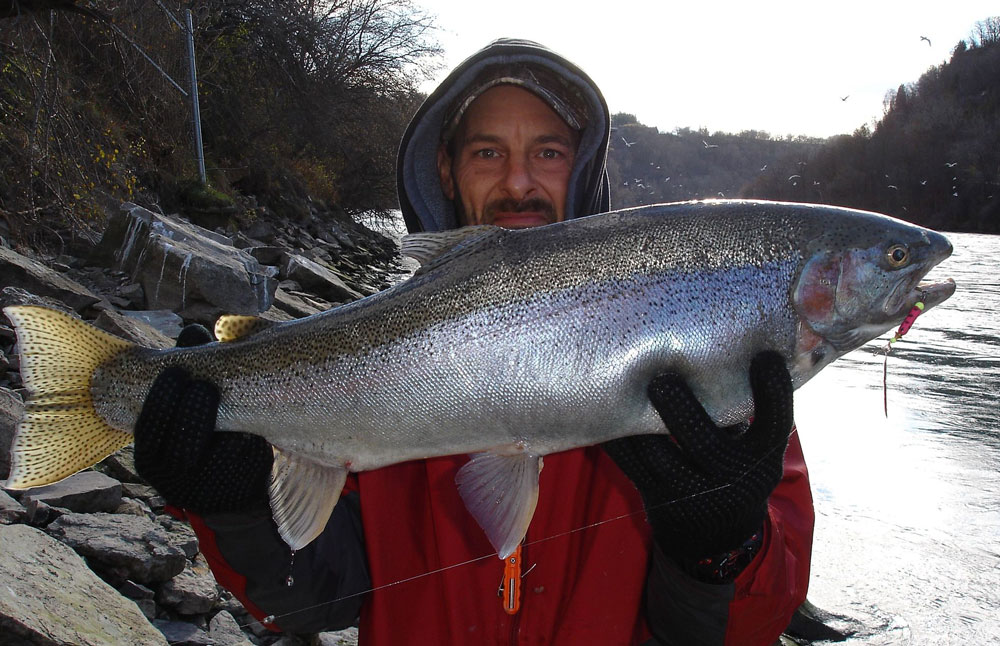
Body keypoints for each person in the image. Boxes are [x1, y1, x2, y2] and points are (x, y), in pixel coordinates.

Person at [134, 38, 814, 645]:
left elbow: (749, 627)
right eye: (488, 152)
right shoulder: (368, 351)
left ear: (582, 168)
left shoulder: (720, 375)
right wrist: (237, 504)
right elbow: (313, 602)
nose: (518, 181)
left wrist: (721, 551)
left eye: (547, 152)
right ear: (447, 171)